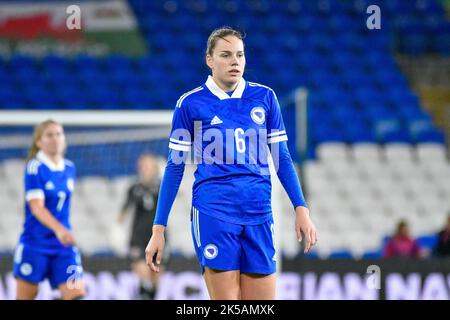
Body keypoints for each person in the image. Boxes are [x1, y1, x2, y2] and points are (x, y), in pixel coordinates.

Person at [145, 27, 317, 300]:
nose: (235, 61)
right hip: (214, 212)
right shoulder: (190, 104)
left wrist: (301, 208)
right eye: (225, 55)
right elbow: (175, 166)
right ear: (209, 60)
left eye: (240, 55)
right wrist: (158, 229)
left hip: (259, 211)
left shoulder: (266, 98)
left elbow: (282, 158)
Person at [13, 119, 85, 300]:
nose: (56, 139)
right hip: (35, 243)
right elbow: (36, 207)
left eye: (59, 134)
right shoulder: (35, 167)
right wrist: (59, 229)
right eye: (49, 135)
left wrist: (64, 231)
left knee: (77, 295)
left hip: (63, 246)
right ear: (39, 142)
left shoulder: (69, 168)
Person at [117, 154, 164, 300]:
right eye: (143, 166)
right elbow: (123, 211)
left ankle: (149, 294)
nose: (145, 170)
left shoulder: (162, 188)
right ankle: (144, 292)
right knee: (143, 274)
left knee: (155, 277)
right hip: (138, 238)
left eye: (148, 166)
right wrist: (117, 229)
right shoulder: (134, 188)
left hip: (158, 237)